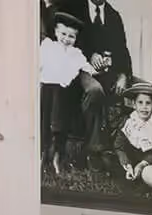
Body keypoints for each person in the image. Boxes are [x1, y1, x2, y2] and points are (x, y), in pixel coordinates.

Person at [38, 11, 97, 175]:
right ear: (56, 32)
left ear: (76, 38)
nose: (66, 39)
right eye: (63, 34)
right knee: (44, 123)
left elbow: (86, 66)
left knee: (60, 125)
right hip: (48, 90)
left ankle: (58, 155)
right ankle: (43, 155)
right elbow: (38, 64)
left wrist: (95, 70)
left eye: (71, 36)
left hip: (63, 93)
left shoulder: (75, 54)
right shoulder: (48, 46)